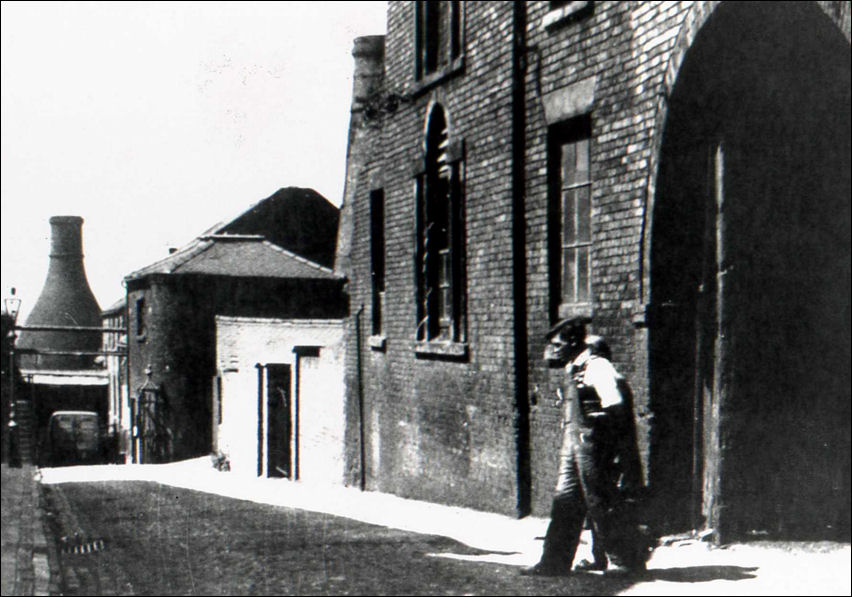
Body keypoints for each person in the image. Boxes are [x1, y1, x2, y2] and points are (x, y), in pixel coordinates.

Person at [521, 316, 652, 576]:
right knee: (565, 499)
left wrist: (604, 441)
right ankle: (554, 562)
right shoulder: (575, 367)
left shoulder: (597, 366)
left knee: (601, 501)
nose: (554, 350)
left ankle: (627, 561)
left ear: (572, 342)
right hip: (574, 446)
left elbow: (615, 405)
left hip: (593, 447)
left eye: (557, 344)